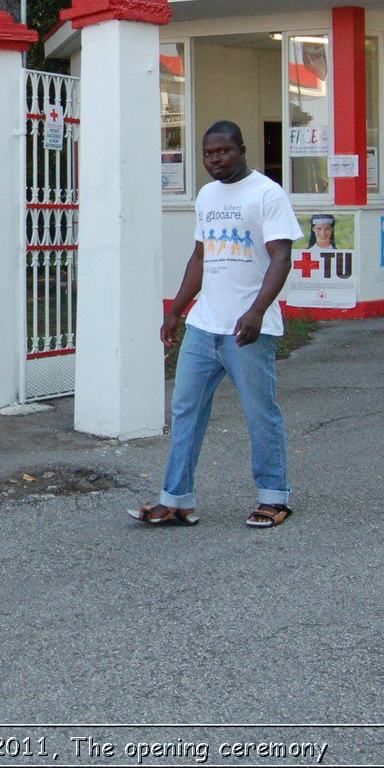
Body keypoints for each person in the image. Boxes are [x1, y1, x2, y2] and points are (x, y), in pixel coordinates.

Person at [128, 120, 301, 529]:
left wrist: (258, 310)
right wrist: (176, 310)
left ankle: (274, 498)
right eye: (208, 154)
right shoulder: (206, 195)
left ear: (241, 150)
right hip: (204, 326)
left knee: (260, 413)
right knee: (186, 409)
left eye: (222, 152)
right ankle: (176, 500)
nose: (214, 160)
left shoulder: (267, 194)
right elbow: (200, 257)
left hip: (246, 331)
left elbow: (281, 257)